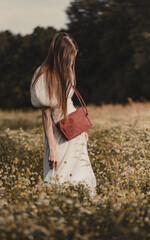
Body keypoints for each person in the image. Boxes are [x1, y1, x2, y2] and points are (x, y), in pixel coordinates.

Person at [30, 32, 97, 198]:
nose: (71, 61)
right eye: (69, 57)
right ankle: (56, 208)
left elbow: (69, 103)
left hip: (72, 130)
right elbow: (46, 115)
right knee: (58, 172)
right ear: (60, 55)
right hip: (57, 134)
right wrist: (52, 147)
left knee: (81, 169)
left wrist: (80, 129)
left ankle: (82, 205)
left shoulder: (66, 71)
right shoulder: (44, 75)